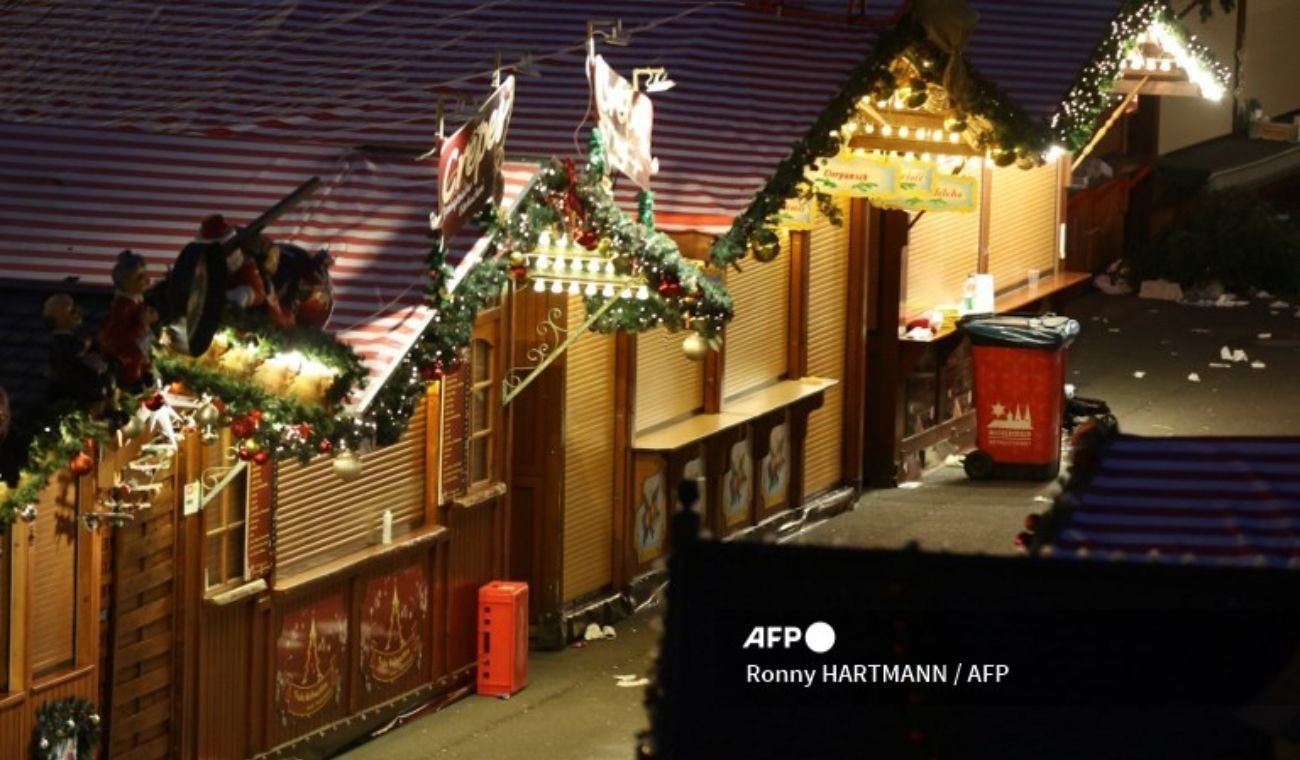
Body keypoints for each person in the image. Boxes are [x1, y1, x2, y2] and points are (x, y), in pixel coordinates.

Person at [99, 250, 157, 389]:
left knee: (143, 355)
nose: (146, 279)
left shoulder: (136, 300)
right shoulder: (122, 307)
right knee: (135, 358)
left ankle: (144, 373)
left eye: (145, 274)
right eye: (139, 277)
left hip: (138, 343)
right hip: (125, 350)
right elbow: (121, 338)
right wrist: (143, 323)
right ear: (125, 282)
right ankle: (133, 381)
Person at [43, 293, 113, 405]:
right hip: (77, 390)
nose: (78, 313)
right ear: (58, 319)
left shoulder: (79, 335)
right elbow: (71, 354)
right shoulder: (60, 341)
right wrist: (85, 346)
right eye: (72, 311)